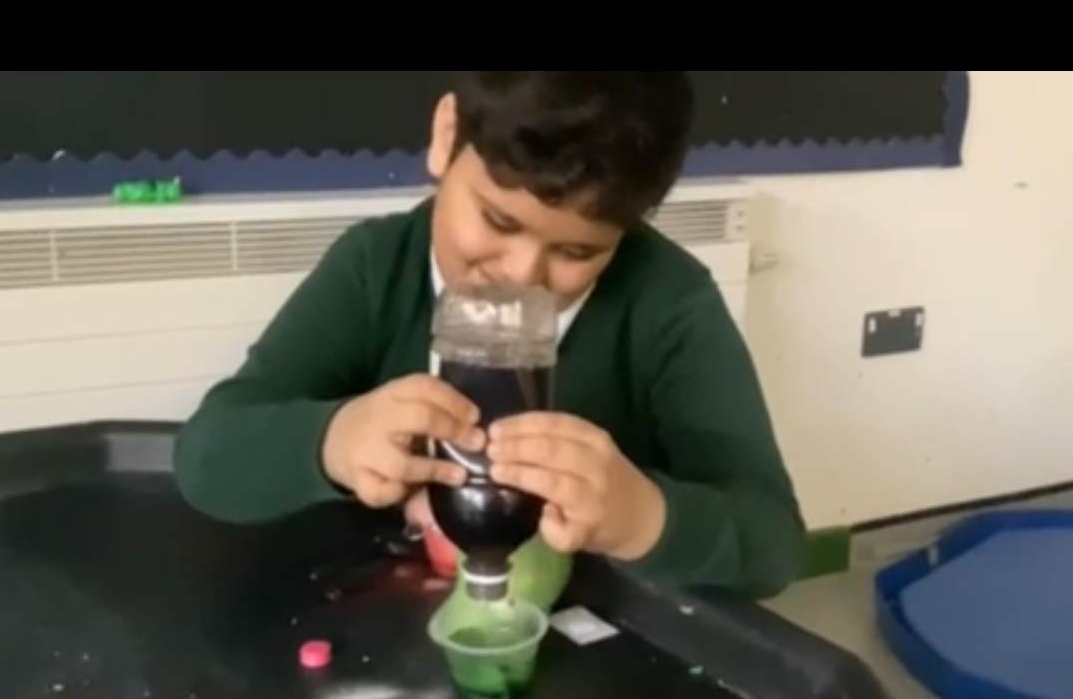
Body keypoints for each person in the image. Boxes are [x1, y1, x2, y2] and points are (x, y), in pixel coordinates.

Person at [175, 71, 803, 597]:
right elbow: (207, 456)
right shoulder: (376, 269)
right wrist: (333, 441)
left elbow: (774, 544)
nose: (522, 277)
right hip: (389, 610)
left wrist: (644, 517)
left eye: (577, 252)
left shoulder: (668, 303)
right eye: (498, 221)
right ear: (446, 136)